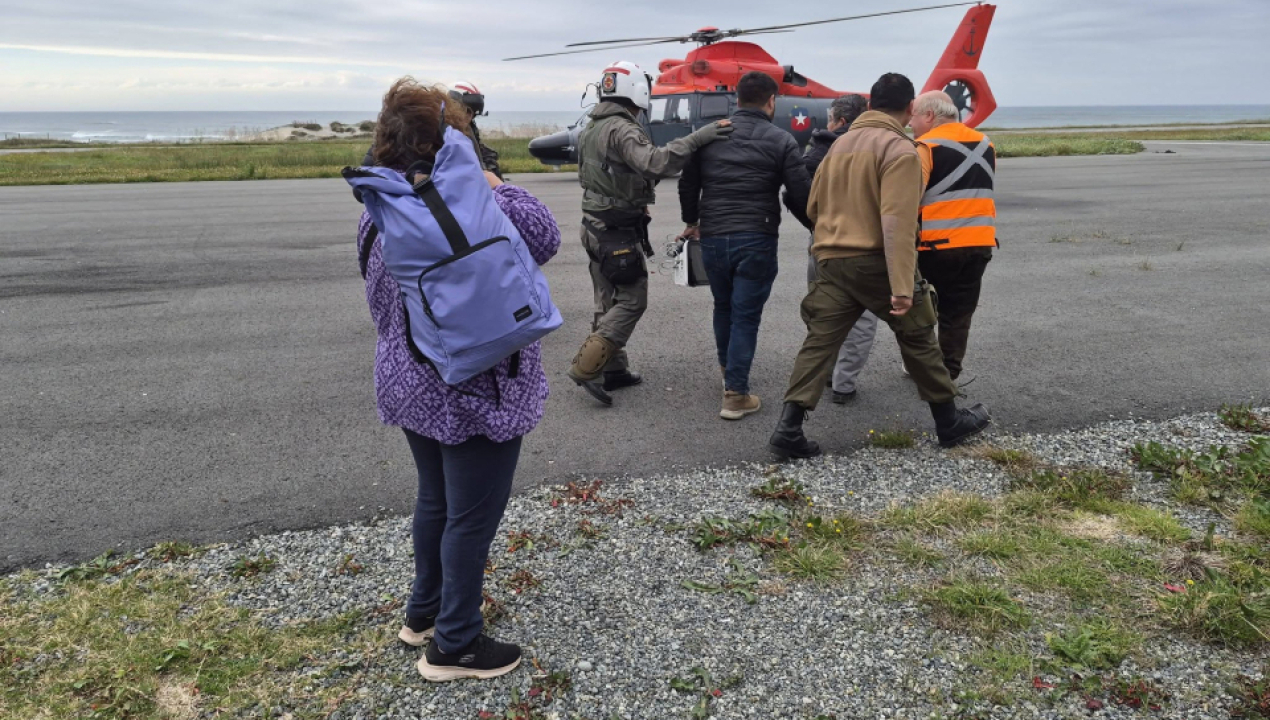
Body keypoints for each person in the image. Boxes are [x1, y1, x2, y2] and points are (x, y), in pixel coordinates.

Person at [357, 78, 561, 681]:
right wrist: (494, 182)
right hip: (474, 386)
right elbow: (545, 237)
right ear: (453, 139)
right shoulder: (479, 202)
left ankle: (423, 615)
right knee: (471, 517)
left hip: (407, 375)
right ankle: (455, 644)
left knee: (436, 499)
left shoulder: (380, 203)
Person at [768, 73, 991, 460]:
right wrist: (903, 287)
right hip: (874, 262)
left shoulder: (839, 145)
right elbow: (898, 223)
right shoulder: (900, 148)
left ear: (871, 104)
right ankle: (948, 421)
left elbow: (813, 204)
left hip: (831, 260)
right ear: (910, 108)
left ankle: (788, 428)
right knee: (919, 336)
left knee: (819, 344)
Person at [567, 60, 734, 405]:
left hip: (595, 225)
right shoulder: (623, 129)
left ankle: (613, 369)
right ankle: (586, 369)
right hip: (615, 230)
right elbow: (656, 163)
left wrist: (634, 197)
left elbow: (605, 174)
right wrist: (697, 139)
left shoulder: (592, 127)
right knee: (632, 300)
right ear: (637, 90)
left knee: (607, 298)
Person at [677, 71, 812, 421]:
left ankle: (729, 373)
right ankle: (736, 394)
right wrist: (818, 227)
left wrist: (692, 221)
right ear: (771, 101)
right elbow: (800, 193)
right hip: (756, 237)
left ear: (737, 99)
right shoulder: (782, 140)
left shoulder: (709, 135)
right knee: (746, 315)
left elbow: (688, 183)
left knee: (723, 306)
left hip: (713, 237)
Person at [910, 90, 997, 381]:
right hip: (979, 243)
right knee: (958, 314)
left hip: (935, 246)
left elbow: (910, 197)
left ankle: (924, 370)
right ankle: (949, 373)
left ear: (929, 115)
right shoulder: (986, 143)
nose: (910, 123)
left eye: (914, 116)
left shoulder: (925, 146)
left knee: (921, 312)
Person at [802, 94, 876, 405]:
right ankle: (844, 384)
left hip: (822, 242)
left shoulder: (817, 152)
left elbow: (799, 198)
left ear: (841, 121)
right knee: (863, 316)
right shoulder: (878, 147)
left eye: (830, 119)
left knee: (822, 309)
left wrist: (815, 225)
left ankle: (825, 373)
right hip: (865, 243)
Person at [362, 80, 502, 179]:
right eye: (464, 111)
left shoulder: (469, 134)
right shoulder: (435, 134)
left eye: (471, 114)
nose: (467, 118)